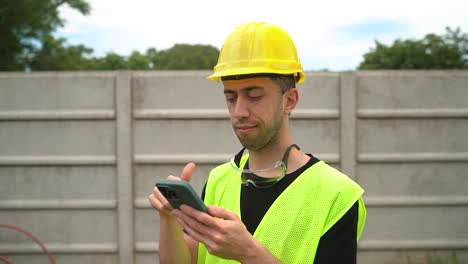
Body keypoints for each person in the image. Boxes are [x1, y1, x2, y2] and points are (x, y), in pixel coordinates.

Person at [149, 21, 366, 264]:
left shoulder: (336, 195)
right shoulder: (219, 180)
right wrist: (167, 219)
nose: (239, 111)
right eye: (231, 98)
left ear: (290, 100)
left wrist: (249, 253)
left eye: (254, 96)